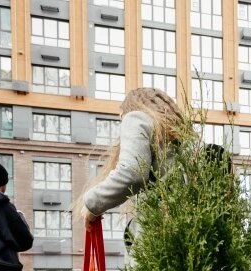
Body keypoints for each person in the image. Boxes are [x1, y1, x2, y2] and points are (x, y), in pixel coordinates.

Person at [78, 87, 189, 223]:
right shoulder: (177, 136)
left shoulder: (136, 118)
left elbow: (131, 173)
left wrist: (92, 204)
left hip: (161, 232)